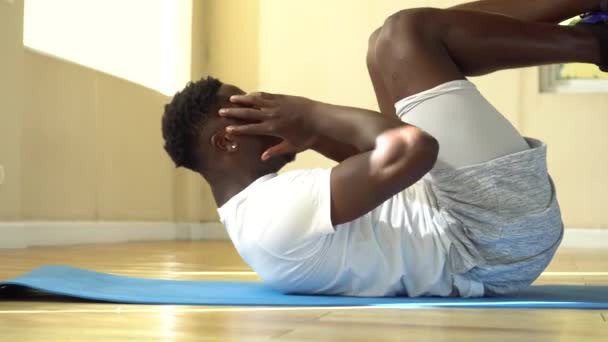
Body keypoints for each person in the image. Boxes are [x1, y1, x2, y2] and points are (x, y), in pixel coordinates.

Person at [161, 0, 608, 297]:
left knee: (385, 48)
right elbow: (413, 148)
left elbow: (388, 163)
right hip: (490, 242)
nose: (266, 104)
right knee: (406, 34)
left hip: (474, 229)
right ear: (226, 139)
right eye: (249, 105)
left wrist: (315, 133)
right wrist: (312, 116)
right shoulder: (272, 213)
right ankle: (596, 41)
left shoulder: (260, 212)